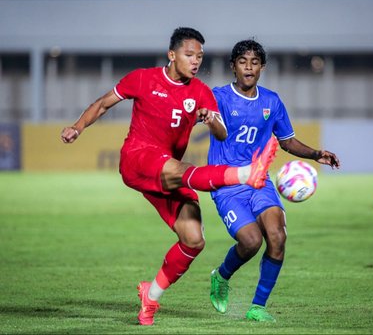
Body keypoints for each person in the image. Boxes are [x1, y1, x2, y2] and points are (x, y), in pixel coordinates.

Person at [60, 28, 279, 326]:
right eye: (190, 55)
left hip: (166, 173)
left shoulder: (200, 91)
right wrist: (77, 127)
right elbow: (103, 103)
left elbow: (222, 132)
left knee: (193, 240)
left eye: (199, 57)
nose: (195, 62)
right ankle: (246, 173)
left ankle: (151, 295)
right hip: (139, 158)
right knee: (180, 169)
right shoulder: (142, 78)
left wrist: (211, 118)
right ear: (172, 54)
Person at [207, 39, 340, 322]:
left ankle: (257, 307)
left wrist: (316, 154)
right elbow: (191, 119)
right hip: (227, 186)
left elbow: (287, 141)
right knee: (251, 242)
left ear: (262, 67)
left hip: (259, 182)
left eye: (254, 62)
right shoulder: (218, 97)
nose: (249, 67)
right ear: (233, 66)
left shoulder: (271, 101)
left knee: (278, 237)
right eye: (243, 62)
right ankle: (221, 275)